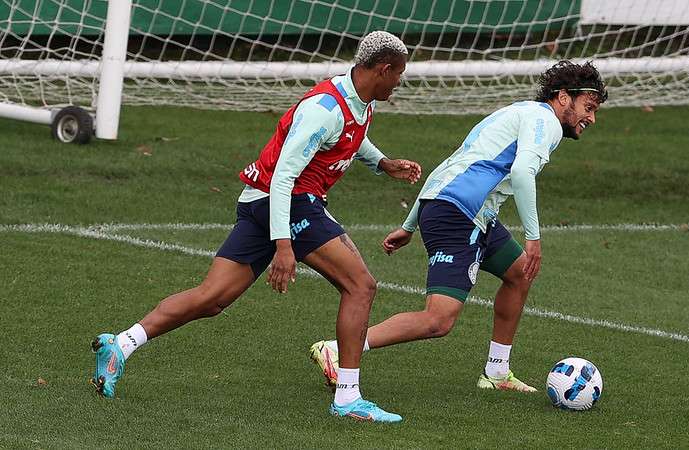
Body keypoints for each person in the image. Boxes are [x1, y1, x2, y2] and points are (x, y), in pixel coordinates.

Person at [91, 31, 421, 424]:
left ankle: (121, 344)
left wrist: (382, 163)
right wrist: (284, 246)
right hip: (288, 201)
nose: (400, 81)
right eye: (399, 74)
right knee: (360, 285)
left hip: (259, 201)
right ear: (383, 70)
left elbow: (349, 136)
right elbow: (284, 176)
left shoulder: (357, 101)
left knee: (212, 298)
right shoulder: (324, 109)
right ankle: (348, 397)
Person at [311, 60, 607, 394]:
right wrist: (533, 238)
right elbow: (523, 173)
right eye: (589, 107)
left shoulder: (519, 113)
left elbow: (451, 166)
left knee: (520, 273)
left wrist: (410, 225)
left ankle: (496, 372)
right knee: (438, 320)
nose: (591, 118)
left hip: (459, 211)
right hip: (459, 215)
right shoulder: (546, 122)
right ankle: (338, 349)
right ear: (564, 97)